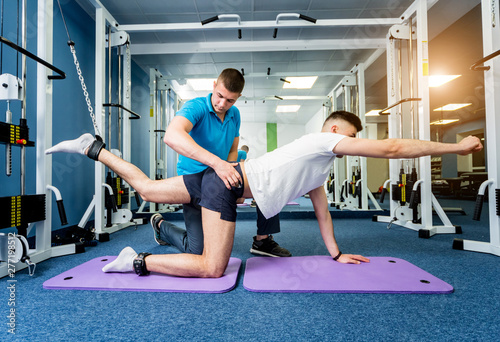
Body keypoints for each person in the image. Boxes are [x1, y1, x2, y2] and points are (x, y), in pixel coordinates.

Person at [46, 111, 483, 278]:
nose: (350, 144)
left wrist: (335, 254)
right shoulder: (320, 141)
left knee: (143, 187)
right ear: (335, 131)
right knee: (212, 268)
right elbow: (390, 149)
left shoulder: (319, 168)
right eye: (349, 137)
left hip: (225, 180)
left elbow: (323, 212)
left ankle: (93, 147)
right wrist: (455, 147)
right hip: (226, 183)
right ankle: (137, 261)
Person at [155, 68, 291, 258]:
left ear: (238, 97)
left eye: (230, 100)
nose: (222, 104)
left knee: (265, 180)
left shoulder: (234, 114)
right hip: (193, 181)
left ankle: (263, 240)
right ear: (214, 86)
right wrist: (218, 164)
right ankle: (162, 226)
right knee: (198, 250)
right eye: (219, 96)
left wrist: (233, 180)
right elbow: (171, 136)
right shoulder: (196, 107)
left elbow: (233, 150)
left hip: (217, 179)